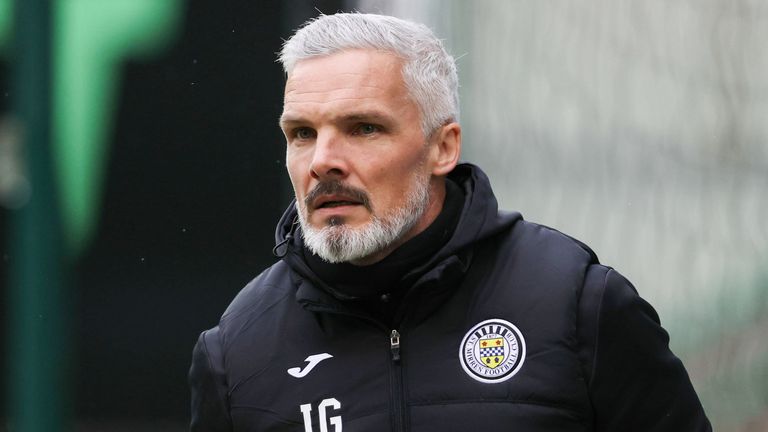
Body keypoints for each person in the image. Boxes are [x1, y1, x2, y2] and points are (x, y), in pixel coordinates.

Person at [189, 13, 711, 432]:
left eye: (364, 127)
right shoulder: (238, 351)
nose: (323, 160)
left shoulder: (578, 305)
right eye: (302, 133)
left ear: (443, 147)